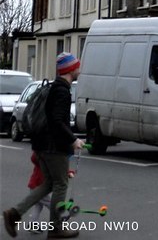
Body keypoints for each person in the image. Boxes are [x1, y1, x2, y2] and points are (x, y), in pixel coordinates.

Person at [4, 52, 85, 239]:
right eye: (77, 66)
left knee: (48, 184)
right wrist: (73, 140)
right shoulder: (62, 91)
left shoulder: (54, 88)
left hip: (42, 145)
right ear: (70, 69)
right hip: (54, 148)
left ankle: (14, 213)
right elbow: (57, 120)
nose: (79, 69)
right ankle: (56, 228)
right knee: (61, 185)